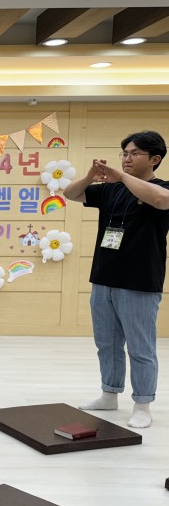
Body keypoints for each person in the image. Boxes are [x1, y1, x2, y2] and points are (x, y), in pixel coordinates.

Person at [64, 130, 169, 428]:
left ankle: (143, 404)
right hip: (103, 278)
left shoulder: (161, 187)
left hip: (139, 282)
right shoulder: (110, 190)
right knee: (107, 343)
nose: (127, 158)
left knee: (140, 347)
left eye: (134, 153)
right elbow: (70, 194)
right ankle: (109, 395)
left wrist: (121, 178)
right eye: (124, 153)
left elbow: (162, 201)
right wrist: (89, 176)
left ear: (155, 159)